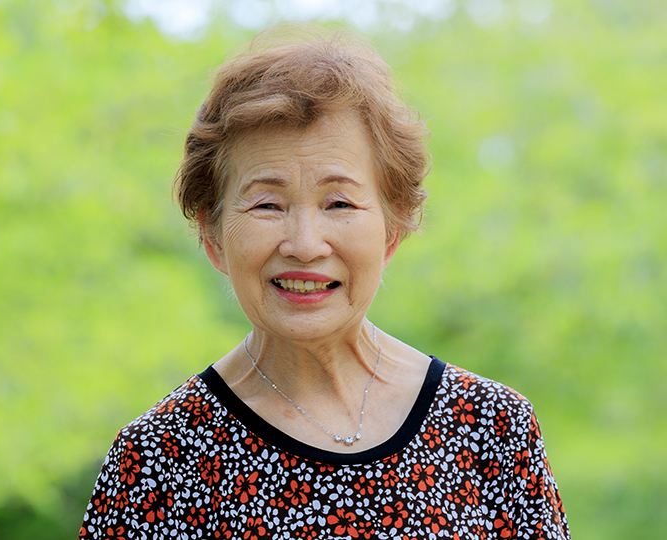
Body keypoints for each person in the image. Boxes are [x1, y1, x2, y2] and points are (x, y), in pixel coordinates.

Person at [79, 26, 570, 539]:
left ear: (393, 229)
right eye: (267, 204)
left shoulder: (491, 427)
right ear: (213, 235)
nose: (305, 244)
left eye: (339, 203)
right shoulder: (155, 461)